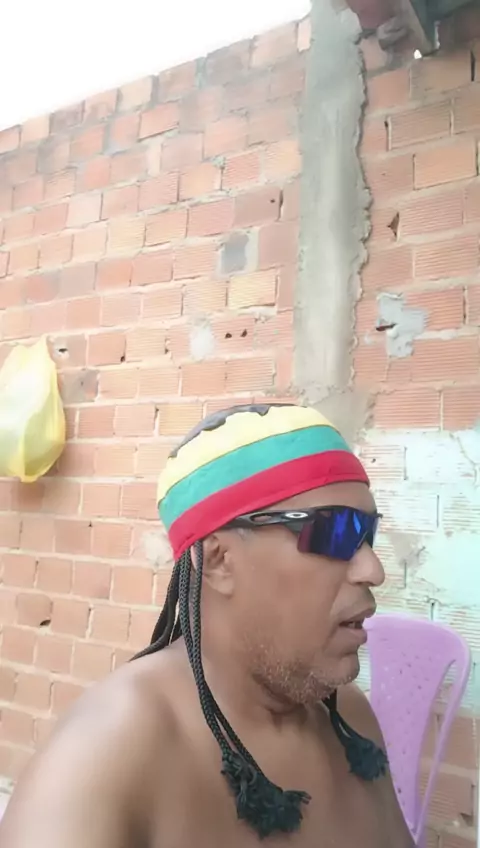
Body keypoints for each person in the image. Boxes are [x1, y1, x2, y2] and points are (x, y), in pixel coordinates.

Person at [0, 403, 414, 847]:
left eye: (368, 534)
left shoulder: (349, 718)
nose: (373, 569)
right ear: (218, 560)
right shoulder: (104, 757)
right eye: (336, 532)